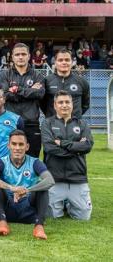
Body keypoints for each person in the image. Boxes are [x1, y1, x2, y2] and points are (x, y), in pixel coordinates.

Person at [0, 130, 54, 240]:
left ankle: (39, 226)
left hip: (28, 208)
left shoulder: (35, 162)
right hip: (8, 207)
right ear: (9, 146)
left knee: (43, 188)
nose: (17, 148)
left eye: (21, 144)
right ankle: (2, 222)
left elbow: (50, 180)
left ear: (27, 147)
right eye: (14, 144)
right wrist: (12, 188)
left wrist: (27, 190)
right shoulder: (1, 162)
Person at [41, 91, 93, 220]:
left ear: (72, 104)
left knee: (83, 217)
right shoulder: (47, 123)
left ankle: (69, 203)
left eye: (67, 102)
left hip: (77, 178)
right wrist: (76, 148)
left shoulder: (82, 124)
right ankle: (63, 201)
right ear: (55, 105)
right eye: (60, 102)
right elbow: (50, 148)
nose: (64, 105)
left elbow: (87, 146)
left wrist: (62, 143)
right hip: (54, 179)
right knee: (52, 216)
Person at [0, 43, 45, 157]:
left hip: (31, 124)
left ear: (29, 56)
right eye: (17, 54)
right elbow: (4, 95)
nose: (20, 57)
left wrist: (17, 90)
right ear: (12, 57)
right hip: (10, 124)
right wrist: (30, 91)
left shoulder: (37, 76)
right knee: (8, 161)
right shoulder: (5, 75)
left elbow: (40, 94)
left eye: (23, 54)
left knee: (32, 161)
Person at [41, 49, 90, 119]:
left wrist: (75, 116)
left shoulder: (82, 82)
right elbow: (42, 104)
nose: (64, 62)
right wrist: (51, 116)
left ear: (72, 62)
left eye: (67, 60)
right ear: (55, 62)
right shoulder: (46, 81)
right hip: (52, 125)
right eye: (60, 60)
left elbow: (85, 105)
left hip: (75, 125)